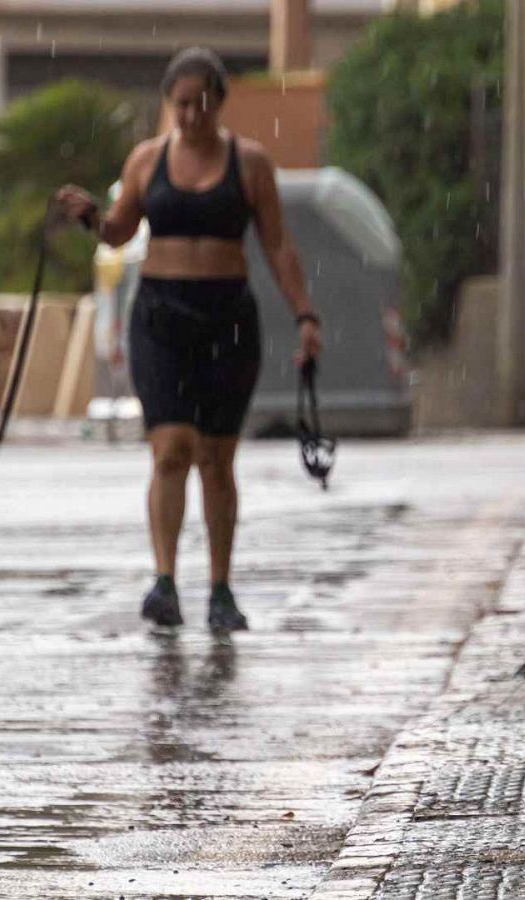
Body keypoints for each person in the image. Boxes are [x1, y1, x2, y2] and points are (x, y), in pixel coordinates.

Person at [56, 47, 322, 632]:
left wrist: (305, 315)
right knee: (171, 446)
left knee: (217, 460)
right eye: (179, 104)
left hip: (227, 318)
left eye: (200, 103)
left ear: (220, 103)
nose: (190, 115)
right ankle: (165, 581)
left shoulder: (250, 164)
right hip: (161, 318)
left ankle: (221, 589)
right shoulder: (147, 161)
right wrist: (90, 218)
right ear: (167, 104)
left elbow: (278, 246)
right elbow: (119, 232)